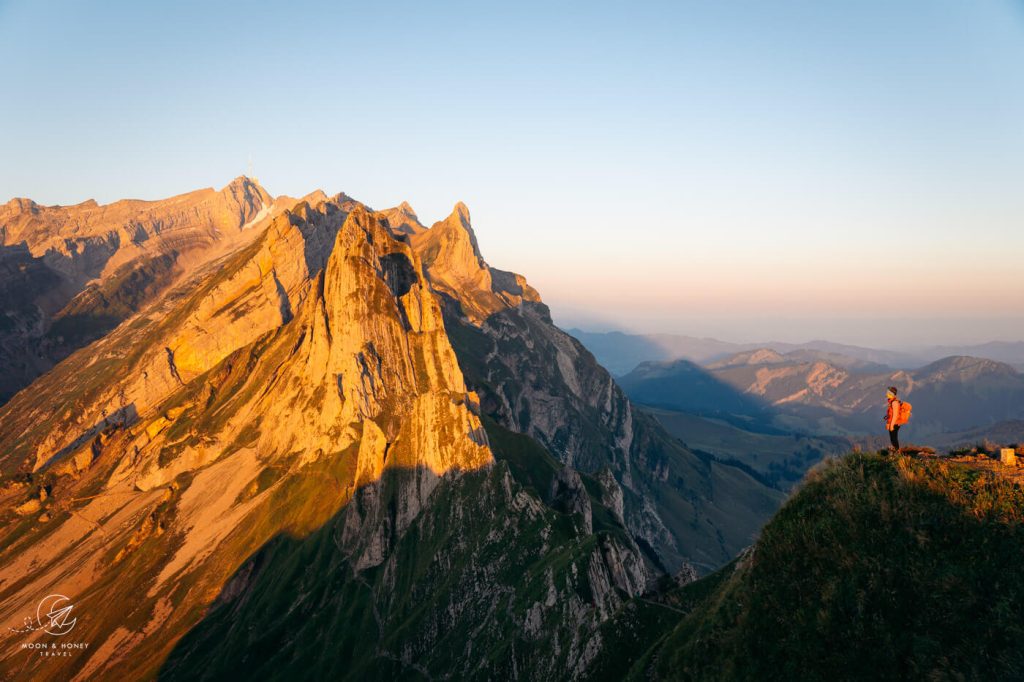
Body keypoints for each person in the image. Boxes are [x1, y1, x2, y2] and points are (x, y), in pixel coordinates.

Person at [885, 386, 901, 452]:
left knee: (894, 438)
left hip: (895, 423)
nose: (886, 394)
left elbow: (895, 415)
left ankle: (897, 451)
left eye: (888, 393)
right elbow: (891, 414)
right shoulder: (891, 402)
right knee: (892, 438)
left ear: (892, 394)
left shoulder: (894, 403)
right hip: (893, 423)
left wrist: (891, 425)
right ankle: (896, 451)